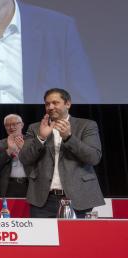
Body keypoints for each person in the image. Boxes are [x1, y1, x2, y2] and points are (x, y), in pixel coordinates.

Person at [19, 88, 104, 218]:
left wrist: (69, 138)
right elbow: (25, 158)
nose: (50, 107)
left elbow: (93, 158)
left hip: (79, 197)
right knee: (44, 238)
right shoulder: (35, 128)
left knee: (77, 238)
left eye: (55, 102)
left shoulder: (86, 125)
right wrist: (40, 138)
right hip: (42, 200)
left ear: (68, 104)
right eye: (47, 104)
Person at [0, 114, 30, 197]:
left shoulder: (31, 142)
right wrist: (9, 151)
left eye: (15, 124)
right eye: (7, 125)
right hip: (8, 186)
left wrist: (22, 149)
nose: (11, 127)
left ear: (22, 125)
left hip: (29, 185)